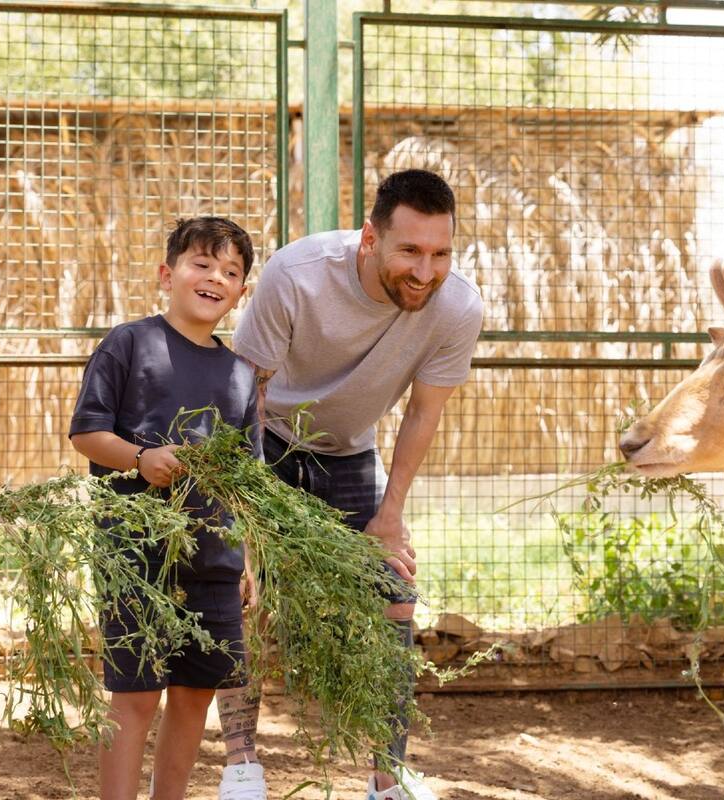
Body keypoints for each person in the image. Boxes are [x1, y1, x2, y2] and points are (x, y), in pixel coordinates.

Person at [217, 169, 484, 800]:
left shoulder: (458, 308)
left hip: (350, 453)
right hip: (268, 440)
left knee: (395, 592)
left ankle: (386, 780)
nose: (426, 270)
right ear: (370, 238)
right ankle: (242, 766)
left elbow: (423, 415)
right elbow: (243, 396)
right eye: (410, 251)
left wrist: (390, 517)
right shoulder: (297, 274)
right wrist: (246, 517)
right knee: (243, 595)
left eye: (441, 253)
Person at [69, 216, 261, 800]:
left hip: (214, 559)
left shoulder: (240, 374)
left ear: (241, 292)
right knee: (134, 696)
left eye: (230, 271)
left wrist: (247, 557)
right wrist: (140, 458)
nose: (214, 278)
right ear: (167, 274)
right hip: (135, 552)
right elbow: (86, 433)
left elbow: (244, 483)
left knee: (194, 693)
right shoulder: (130, 343)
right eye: (201, 264)